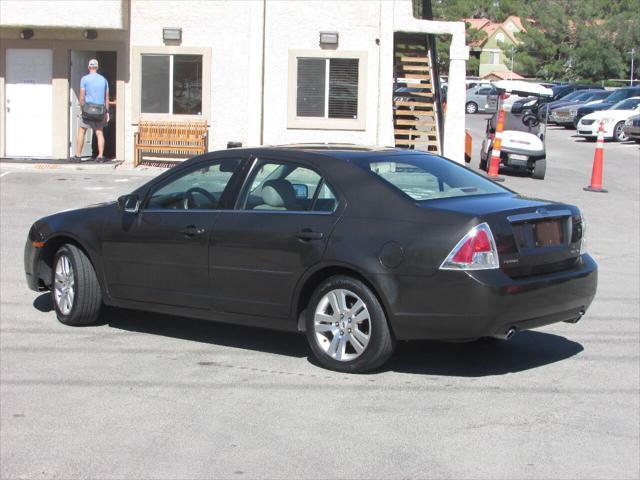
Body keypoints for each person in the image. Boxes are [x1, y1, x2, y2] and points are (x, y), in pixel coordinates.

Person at [73, 59, 109, 162]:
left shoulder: (84, 79)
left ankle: (78, 155)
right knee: (99, 132)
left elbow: (81, 97)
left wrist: (82, 109)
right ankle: (101, 156)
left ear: (89, 67)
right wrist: (107, 112)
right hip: (100, 110)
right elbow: (106, 98)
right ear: (97, 68)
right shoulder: (103, 80)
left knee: (82, 131)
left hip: (88, 109)